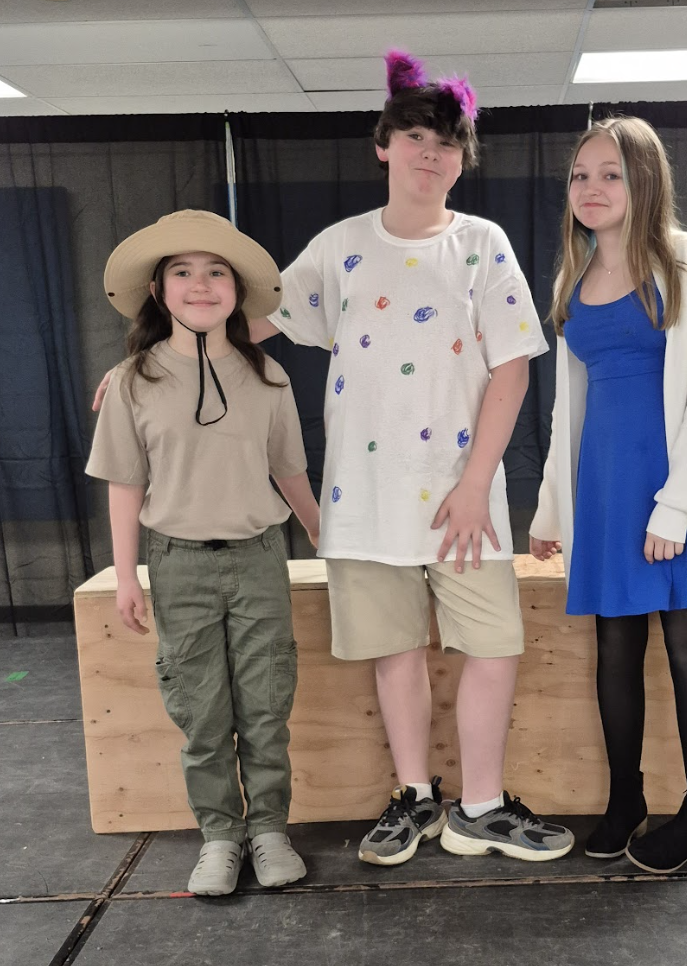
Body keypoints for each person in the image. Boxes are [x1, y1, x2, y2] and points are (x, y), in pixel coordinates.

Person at [247, 51, 575, 865]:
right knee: (395, 652)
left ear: (462, 160)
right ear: (384, 145)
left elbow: (512, 366)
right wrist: (147, 357)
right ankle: (416, 798)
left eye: (450, 143)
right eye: (418, 136)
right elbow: (246, 321)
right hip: (365, 500)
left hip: (463, 498)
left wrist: (474, 486)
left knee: (492, 645)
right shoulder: (339, 247)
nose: (433, 154)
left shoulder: (481, 244)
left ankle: (482, 807)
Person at [529, 117, 687, 874]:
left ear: (644, 180)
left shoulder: (684, 260)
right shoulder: (573, 276)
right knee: (614, 647)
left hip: (669, 486)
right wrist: (552, 508)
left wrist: (675, 505)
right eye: (580, 176)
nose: (591, 188)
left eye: (610, 174)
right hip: (604, 485)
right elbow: (567, 407)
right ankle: (627, 801)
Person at [86, 210, 321, 896]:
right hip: (179, 563)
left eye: (217, 272)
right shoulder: (133, 381)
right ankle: (220, 835)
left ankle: (270, 830)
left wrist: (317, 530)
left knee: (265, 702)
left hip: (256, 559)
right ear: (159, 291)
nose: (201, 284)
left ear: (236, 291)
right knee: (202, 710)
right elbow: (126, 484)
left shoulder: (269, 377)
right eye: (182, 272)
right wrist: (127, 576)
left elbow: (289, 470)